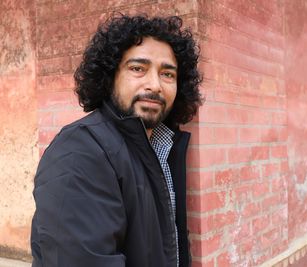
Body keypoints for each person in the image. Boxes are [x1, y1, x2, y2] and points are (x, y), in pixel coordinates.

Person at [30, 13, 202, 267]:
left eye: (168, 74)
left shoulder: (162, 148)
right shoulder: (79, 152)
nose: (154, 84)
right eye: (137, 69)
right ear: (110, 77)